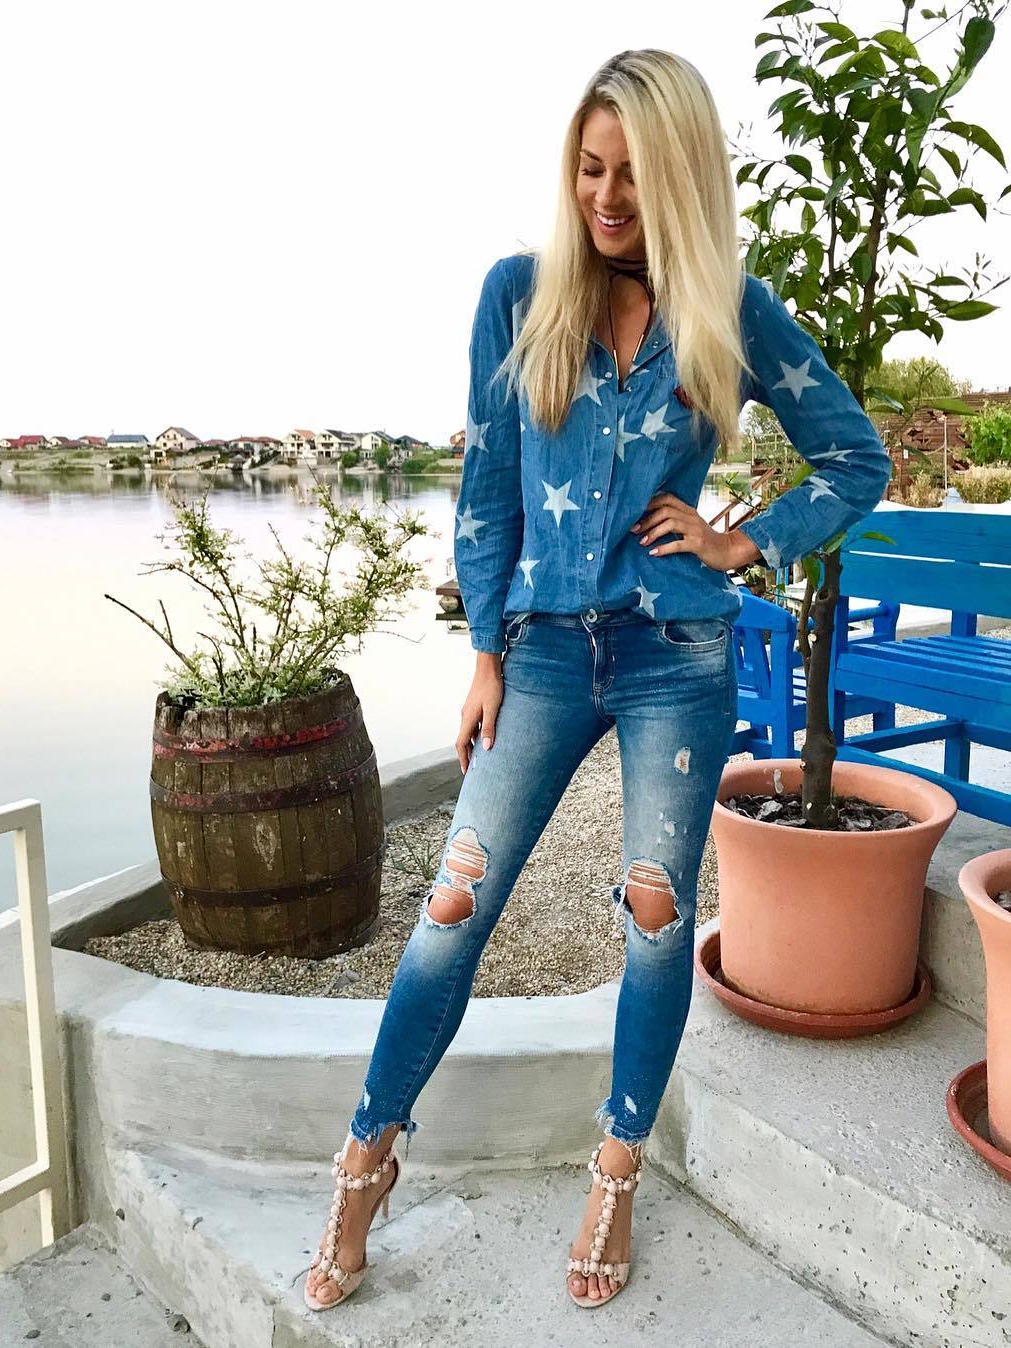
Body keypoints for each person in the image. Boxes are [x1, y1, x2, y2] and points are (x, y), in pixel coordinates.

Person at [304, 47, 892, 1314]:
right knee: (451, 905)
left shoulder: (729, 308)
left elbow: (857, 457)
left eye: (632, 174)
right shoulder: (520, 295)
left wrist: (743, 542)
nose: (607, 197)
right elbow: (487, 488)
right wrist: (483, 651)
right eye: (589, 168)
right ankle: (365, 1157)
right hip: (542, 653)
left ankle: (616, 1171)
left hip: (676, 659)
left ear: (679, 179)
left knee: (655, 918)